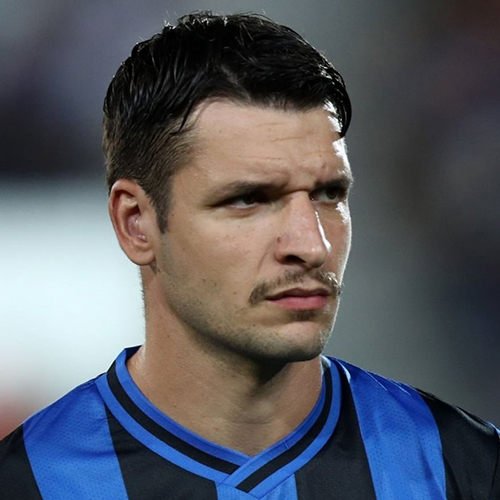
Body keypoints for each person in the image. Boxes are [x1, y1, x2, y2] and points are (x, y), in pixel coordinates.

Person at [0, 11, 498, 499]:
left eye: (328, 194)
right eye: (249, 199)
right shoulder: (31, 483)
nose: (312, 245)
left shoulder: (464, 467)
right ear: (136, 223)